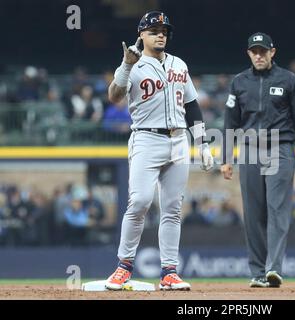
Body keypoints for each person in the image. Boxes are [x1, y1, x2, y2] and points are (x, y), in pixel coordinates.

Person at [105, 11, 214, 291]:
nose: (160, 34)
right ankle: (123, 267)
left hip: (179, 141)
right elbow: (115, 97)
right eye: (153, 30)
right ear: (141, 34)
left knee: (173, 210)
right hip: (146, 138)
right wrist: (126, 66)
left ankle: (169, 272)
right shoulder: (132, 62)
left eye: (163, 30)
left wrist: (202, 143)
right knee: (139, 202)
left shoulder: (179, 64)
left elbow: (192, 106)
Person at [221, 32, 295, 288]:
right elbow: (230, 123)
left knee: (277, 209)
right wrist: (226, 158)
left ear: (273, 52)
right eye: (254, 51)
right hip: (250, 149)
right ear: (249, 53)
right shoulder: (239, 82)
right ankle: (258, 272)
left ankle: (274, 268)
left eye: (263, 51)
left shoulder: (289, 80)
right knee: (253, 213)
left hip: (281, 147)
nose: (259, 55)